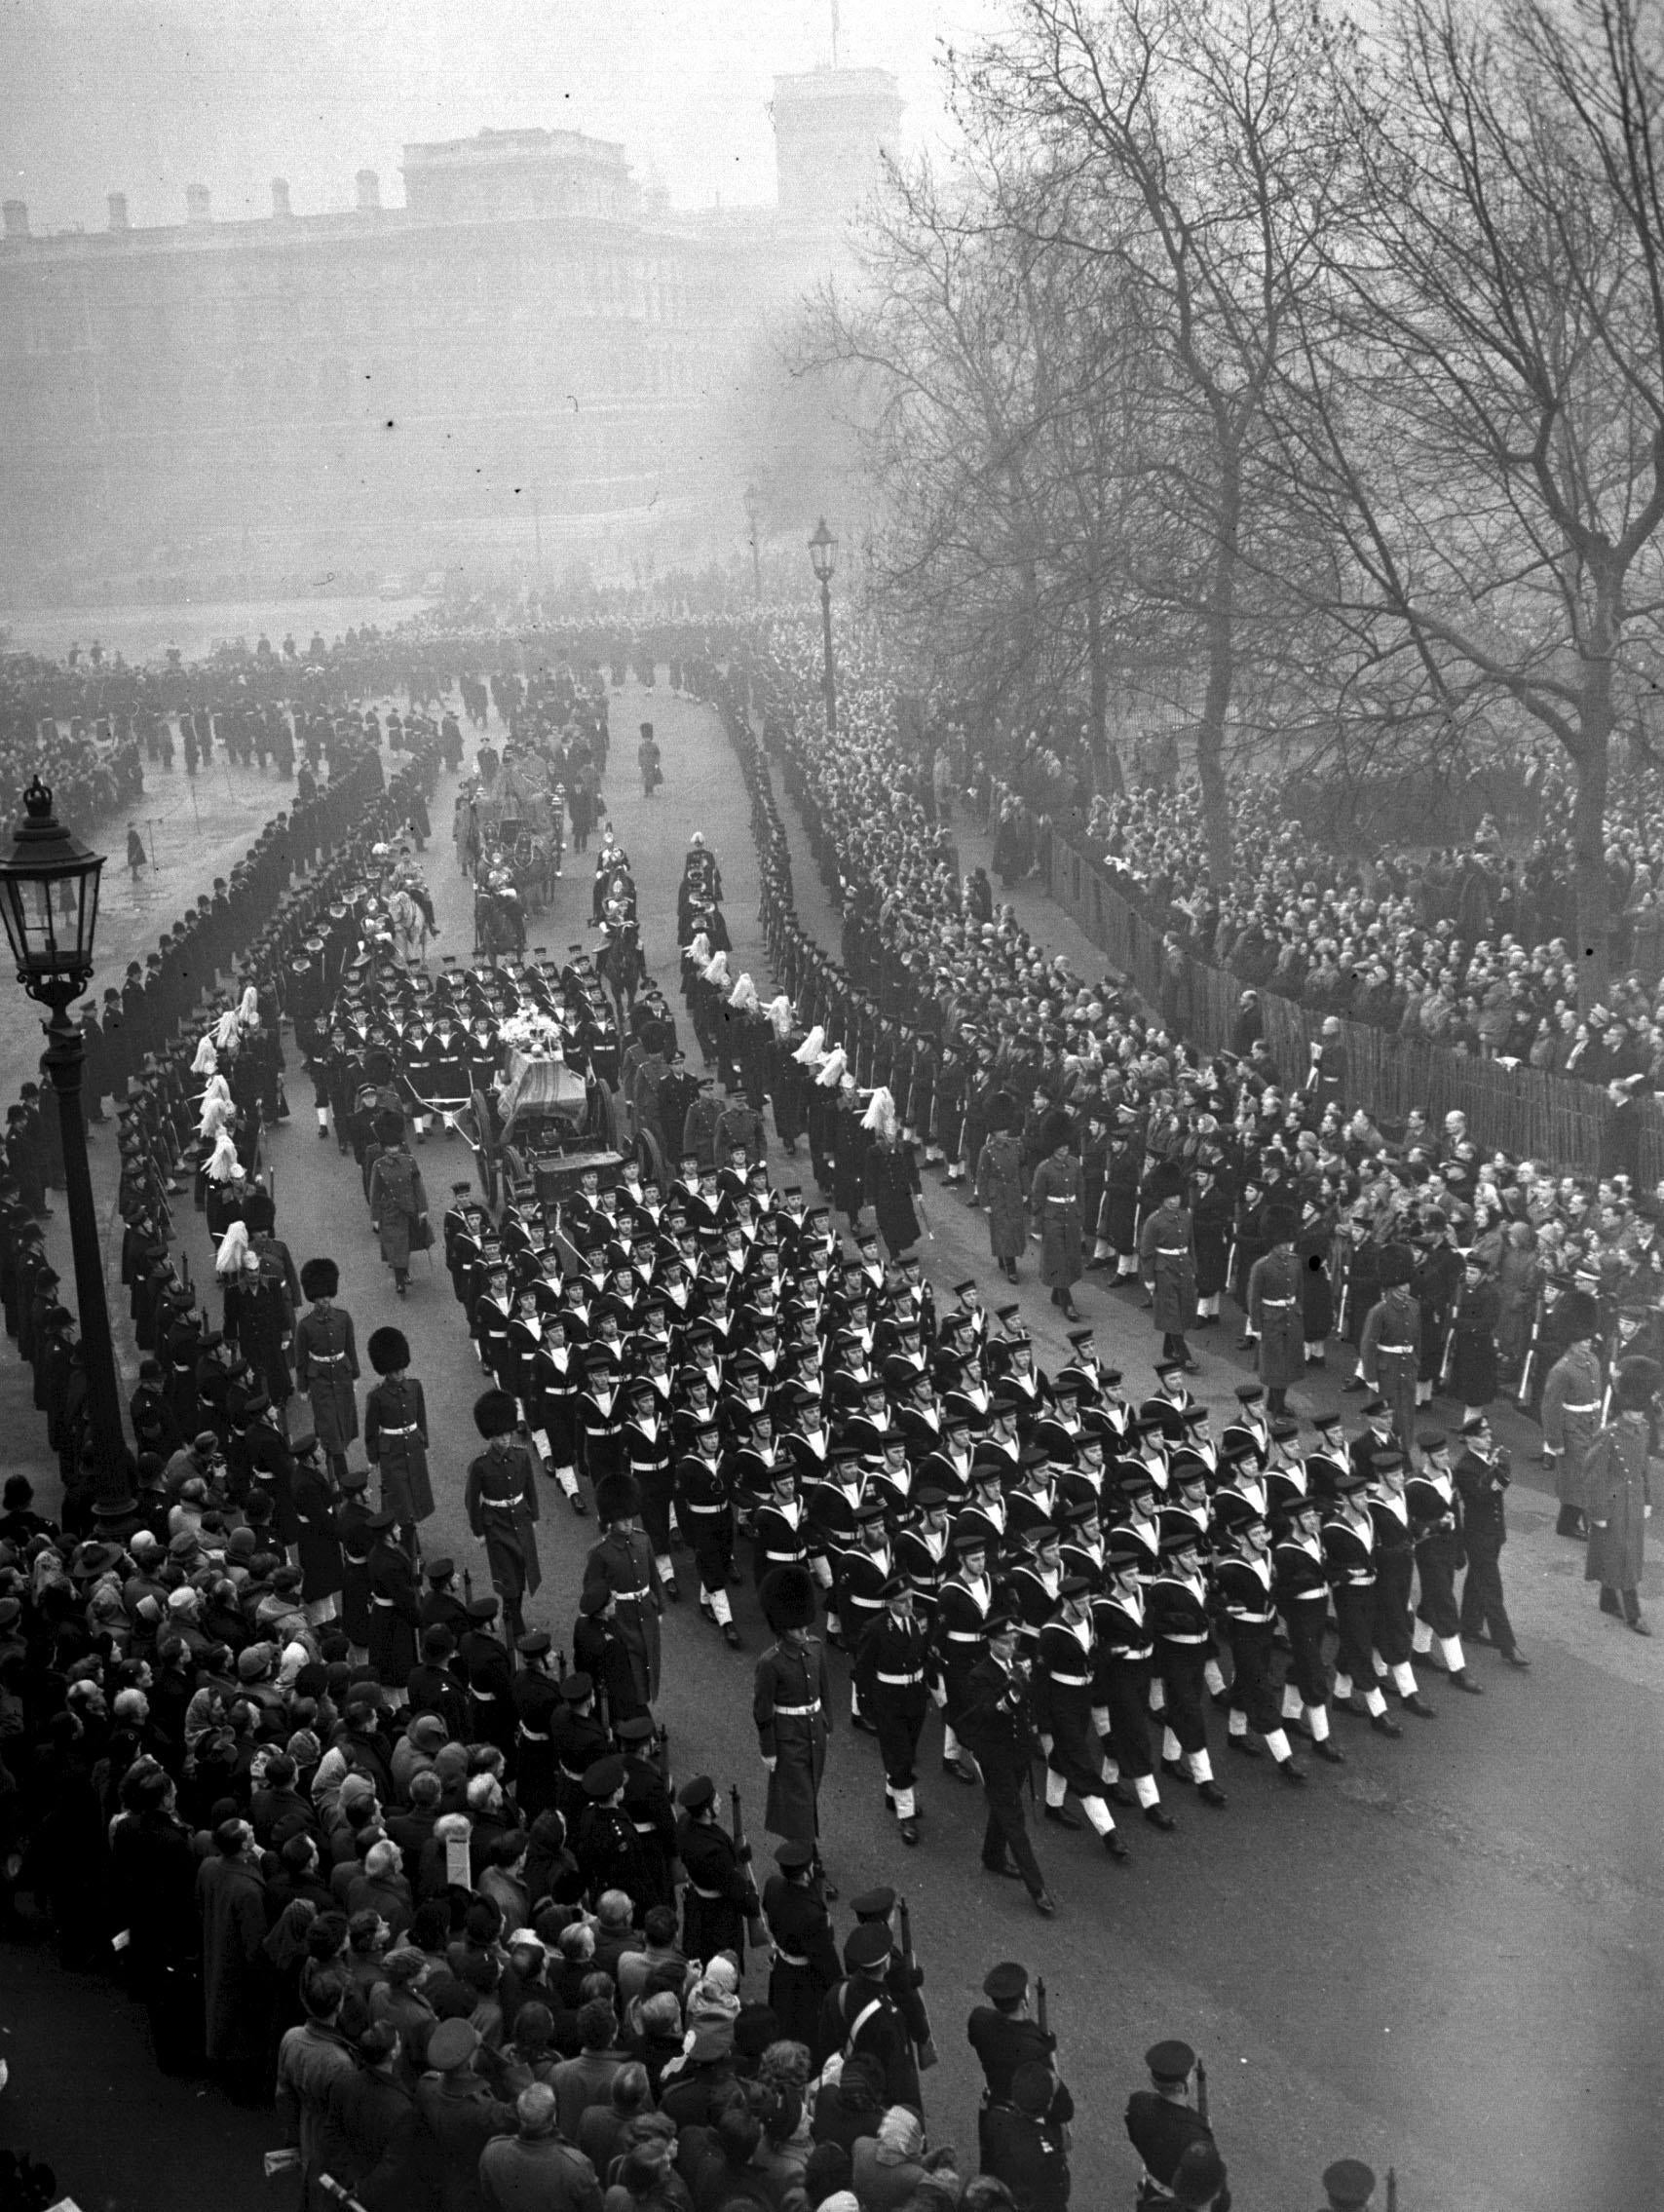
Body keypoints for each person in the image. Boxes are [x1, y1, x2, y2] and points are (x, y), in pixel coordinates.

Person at [957, 1610, 1055, 1915]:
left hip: (1019, 1750)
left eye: (1014, 1641)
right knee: (1014, 1817)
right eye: (1005, 1643)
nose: (1012, 1647)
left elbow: (1034, 1698)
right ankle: (1037, 1888)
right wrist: (1010, 1693)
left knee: (1004, 1805)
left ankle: (992, 1856)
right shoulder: (980, 1675)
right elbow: (987, 1713)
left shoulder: (1020, 1661)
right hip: (995, 1753)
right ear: (991, 1643)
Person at [753, 1565, 834, 1886]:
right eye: (795, 1629)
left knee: (808, 1796)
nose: (803, 1633)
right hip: (788, 1738)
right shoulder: (770, 1662)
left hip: (814, 1732)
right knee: (800, 1804)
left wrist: (826, 1720)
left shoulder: (814, 1647)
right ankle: (810, 1867)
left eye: (804, 1627)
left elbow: (825, 1688)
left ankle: (805, 1854)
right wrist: (768, 1749)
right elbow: (762, 1709)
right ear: (782, 1627)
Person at [1584, 1354, 1656, 1633]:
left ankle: (1606, 1599)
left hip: (1634, 1501)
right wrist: (1598, 1512)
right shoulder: (1609, 1434)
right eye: (1634, 1412)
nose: (1638, 1417)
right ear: (1625, 1409)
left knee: (1625, 1553)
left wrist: (1648, 1499)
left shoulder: (1644, 1429)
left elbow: (1643, 1468)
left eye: (1641, 1412)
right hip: (1613, 1503)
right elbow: (1593, 1477)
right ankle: (1633, 1614)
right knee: (1624, 1556)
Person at [1454, 1410, 1530, 1668]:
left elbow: (1501, 1486)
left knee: (1477, 1580)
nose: (1489, 1439)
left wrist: (1499, 1469)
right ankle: (1508, 1646)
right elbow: (1482, 1495)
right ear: (1469, 1440)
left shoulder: (1486, 1459)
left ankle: (1470, 1626)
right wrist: (1496, 1471)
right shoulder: (1465, 1467)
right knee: (1492, 1590)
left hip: (1493, 1532)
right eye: (1483, 1436)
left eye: (1488, 1434)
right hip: (1478, 1535)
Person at [466, 1388, 543, 1643]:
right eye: (500, 1436)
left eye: (508, 1433)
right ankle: (512, 1613)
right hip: (496, 1523)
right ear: (490, 1436)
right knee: (506, 1572)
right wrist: (478, 1531)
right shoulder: (480, 1465)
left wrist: (534, 1515)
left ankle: (515, 1609)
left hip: (520, 1518)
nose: (505, 1439)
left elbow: (529, 1487)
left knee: (522, 1568)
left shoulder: (521, 1456)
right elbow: (471, 1501)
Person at [1124, 2040, 1229, 2212]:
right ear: (1181, 2087)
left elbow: (1134, 2135)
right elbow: (1210, 2191)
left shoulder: (1137, 2102)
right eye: (1189, 2075)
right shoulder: (1196, 2136)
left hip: (1151, 2193)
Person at [363, 1324, 433, 1559]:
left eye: (401, 1369)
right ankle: (409, 1545)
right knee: (400, 1498)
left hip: (413, 1447)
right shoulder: (377, 1396)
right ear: (385, 1371)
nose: (398, 1374)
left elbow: (420, 1414)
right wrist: (373, 1457)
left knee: (414, 1494)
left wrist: (423, 1438)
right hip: (391, 1452)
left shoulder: (414, 1386)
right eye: (393, 1372)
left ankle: (407, 1538)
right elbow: (371, 1430)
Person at [1540, 1288, 1604, 1538]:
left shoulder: (1593, 1361)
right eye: (1583, 1342)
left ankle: (1568, 1523)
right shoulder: (1561, 1369)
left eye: (1589, 1341)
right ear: (1572, 1341)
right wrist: (1554, 1441)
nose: (1588, 1345)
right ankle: (1574, 1523)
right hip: (1572, 1428)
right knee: (1579, 1478)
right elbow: (1550, 1407)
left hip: (1590, 1426)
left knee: (1584, 1477)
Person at [293, 1256, 359, 1483]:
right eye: (320, 1297)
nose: (325, 1301)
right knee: (329, 1424)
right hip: (319, 1380)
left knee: (343, 1420)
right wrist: (302, 1386)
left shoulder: (343, 1318)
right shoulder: (305, 1326)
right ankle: (342, 1476)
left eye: (328, 1296)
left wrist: (356, 1374)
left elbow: (350, 1347)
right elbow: (301, 1358)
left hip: (341, 1375)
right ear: (313, 1298)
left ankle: (334, 1454)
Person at [1245, 1208, 1303, 1416]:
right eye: (1282, 1244)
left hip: (1291, 1319)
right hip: (1271, 1320)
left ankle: (1276, 1403)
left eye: (1288, 1243)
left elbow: (1299, 1292)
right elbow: (1253, 1299)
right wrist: (1256, 1326)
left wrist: (1298, 1312)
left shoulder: (1295, 1262)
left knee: (1288, 1366)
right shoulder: (1261, 1266)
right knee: (1275, 1368)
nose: (1286, 1247)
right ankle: (1276, 1408)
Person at [1139, 1175, 1198, 1372]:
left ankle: (1168, 1348)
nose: (1174, 1200)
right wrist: (1148, 1278)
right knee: (1172, 1311)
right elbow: (1146, 1253)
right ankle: (1183, 1354)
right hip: (1163, 1269)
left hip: (1183, 1267)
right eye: (1170, 1197)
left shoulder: (1186, 1216)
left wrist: (1193, 1269)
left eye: (1177, 1196)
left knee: (1180, 1308)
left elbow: (1191, 1246)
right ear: (1163, 1198)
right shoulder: (1154, 1221)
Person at [1029, 1125, 1084, 1321]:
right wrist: (1037, 1225)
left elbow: (1079, 1192)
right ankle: (1067, 1302)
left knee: (1069, 1256)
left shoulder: (1075, 1164)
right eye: (1059, 1146)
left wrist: (1080, 1216)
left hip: (1071, 1216)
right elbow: (1038, 1198)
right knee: (1058, 1258)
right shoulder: (1044, 1168)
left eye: (1066, 1145)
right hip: (1052, 1218)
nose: (1064, 1149)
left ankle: (1057, 1292)